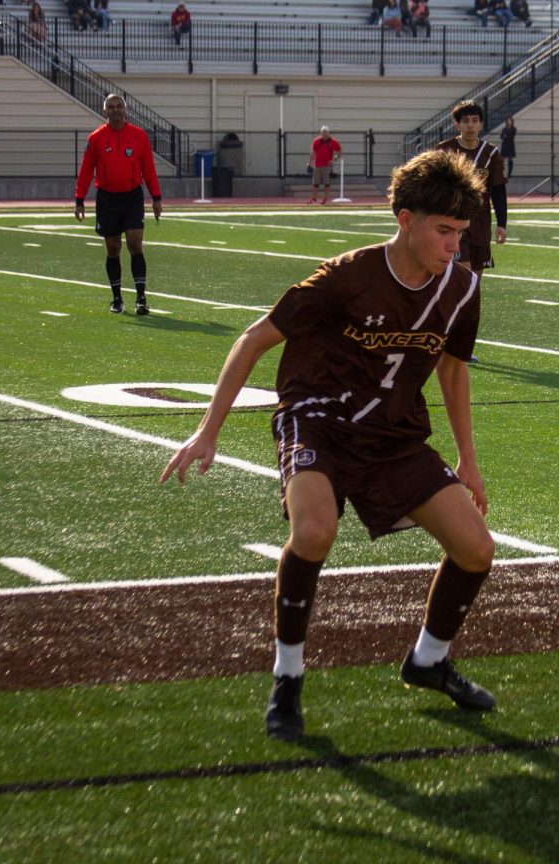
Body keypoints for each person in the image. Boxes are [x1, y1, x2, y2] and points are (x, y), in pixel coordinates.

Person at [159, 149, 498, 742]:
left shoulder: (463, 289)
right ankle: (287, 677)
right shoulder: (346, 275)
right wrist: (207, 429)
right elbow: (253, 339)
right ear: (404, 219)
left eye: (462, 233)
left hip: (394, 434)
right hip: (316, 418)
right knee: (314, 530)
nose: (453, 245)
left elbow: (452, 371)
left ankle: (428, 660)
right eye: (443, 231)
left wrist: (469, 459)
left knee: (476, 549)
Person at [74, 94, 162, 316]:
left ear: (126, 109)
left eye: (119, 106)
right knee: (113, 247)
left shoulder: (139, 136)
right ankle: (116, 298)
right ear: (104, 112)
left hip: (132, 197)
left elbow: (149, 169)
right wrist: (79, 200)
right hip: (107, 198)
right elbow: (86, 171)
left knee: (135, 243)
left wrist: (156, 197)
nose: (115, 110)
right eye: (111, 107)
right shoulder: (96, 139)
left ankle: (141, 298)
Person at [434, 101, 507, 283]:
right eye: (465, 121)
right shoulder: (445, 150)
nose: (470, 125)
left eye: (475, 121)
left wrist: (502, 223)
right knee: (463, 278)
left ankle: (466, 312)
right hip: (454, 221)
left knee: (474, 282)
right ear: (457, 124)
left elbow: (498, 190)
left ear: (481, 124)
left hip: (480, 222)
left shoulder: (490, 153)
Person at [306, 126, 342, 204]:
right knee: (315, 183)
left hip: (327, 166)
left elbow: (339, 151)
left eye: (326, 132)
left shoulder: (333, 141)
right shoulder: (317, 141)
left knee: (327, 183)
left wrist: (334, 159)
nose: (324, 134)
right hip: (317, 165)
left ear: (328, 133)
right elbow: (313, 153)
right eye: (323, 132)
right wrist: (309, 162)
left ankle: (325, 199)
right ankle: (313, 198)